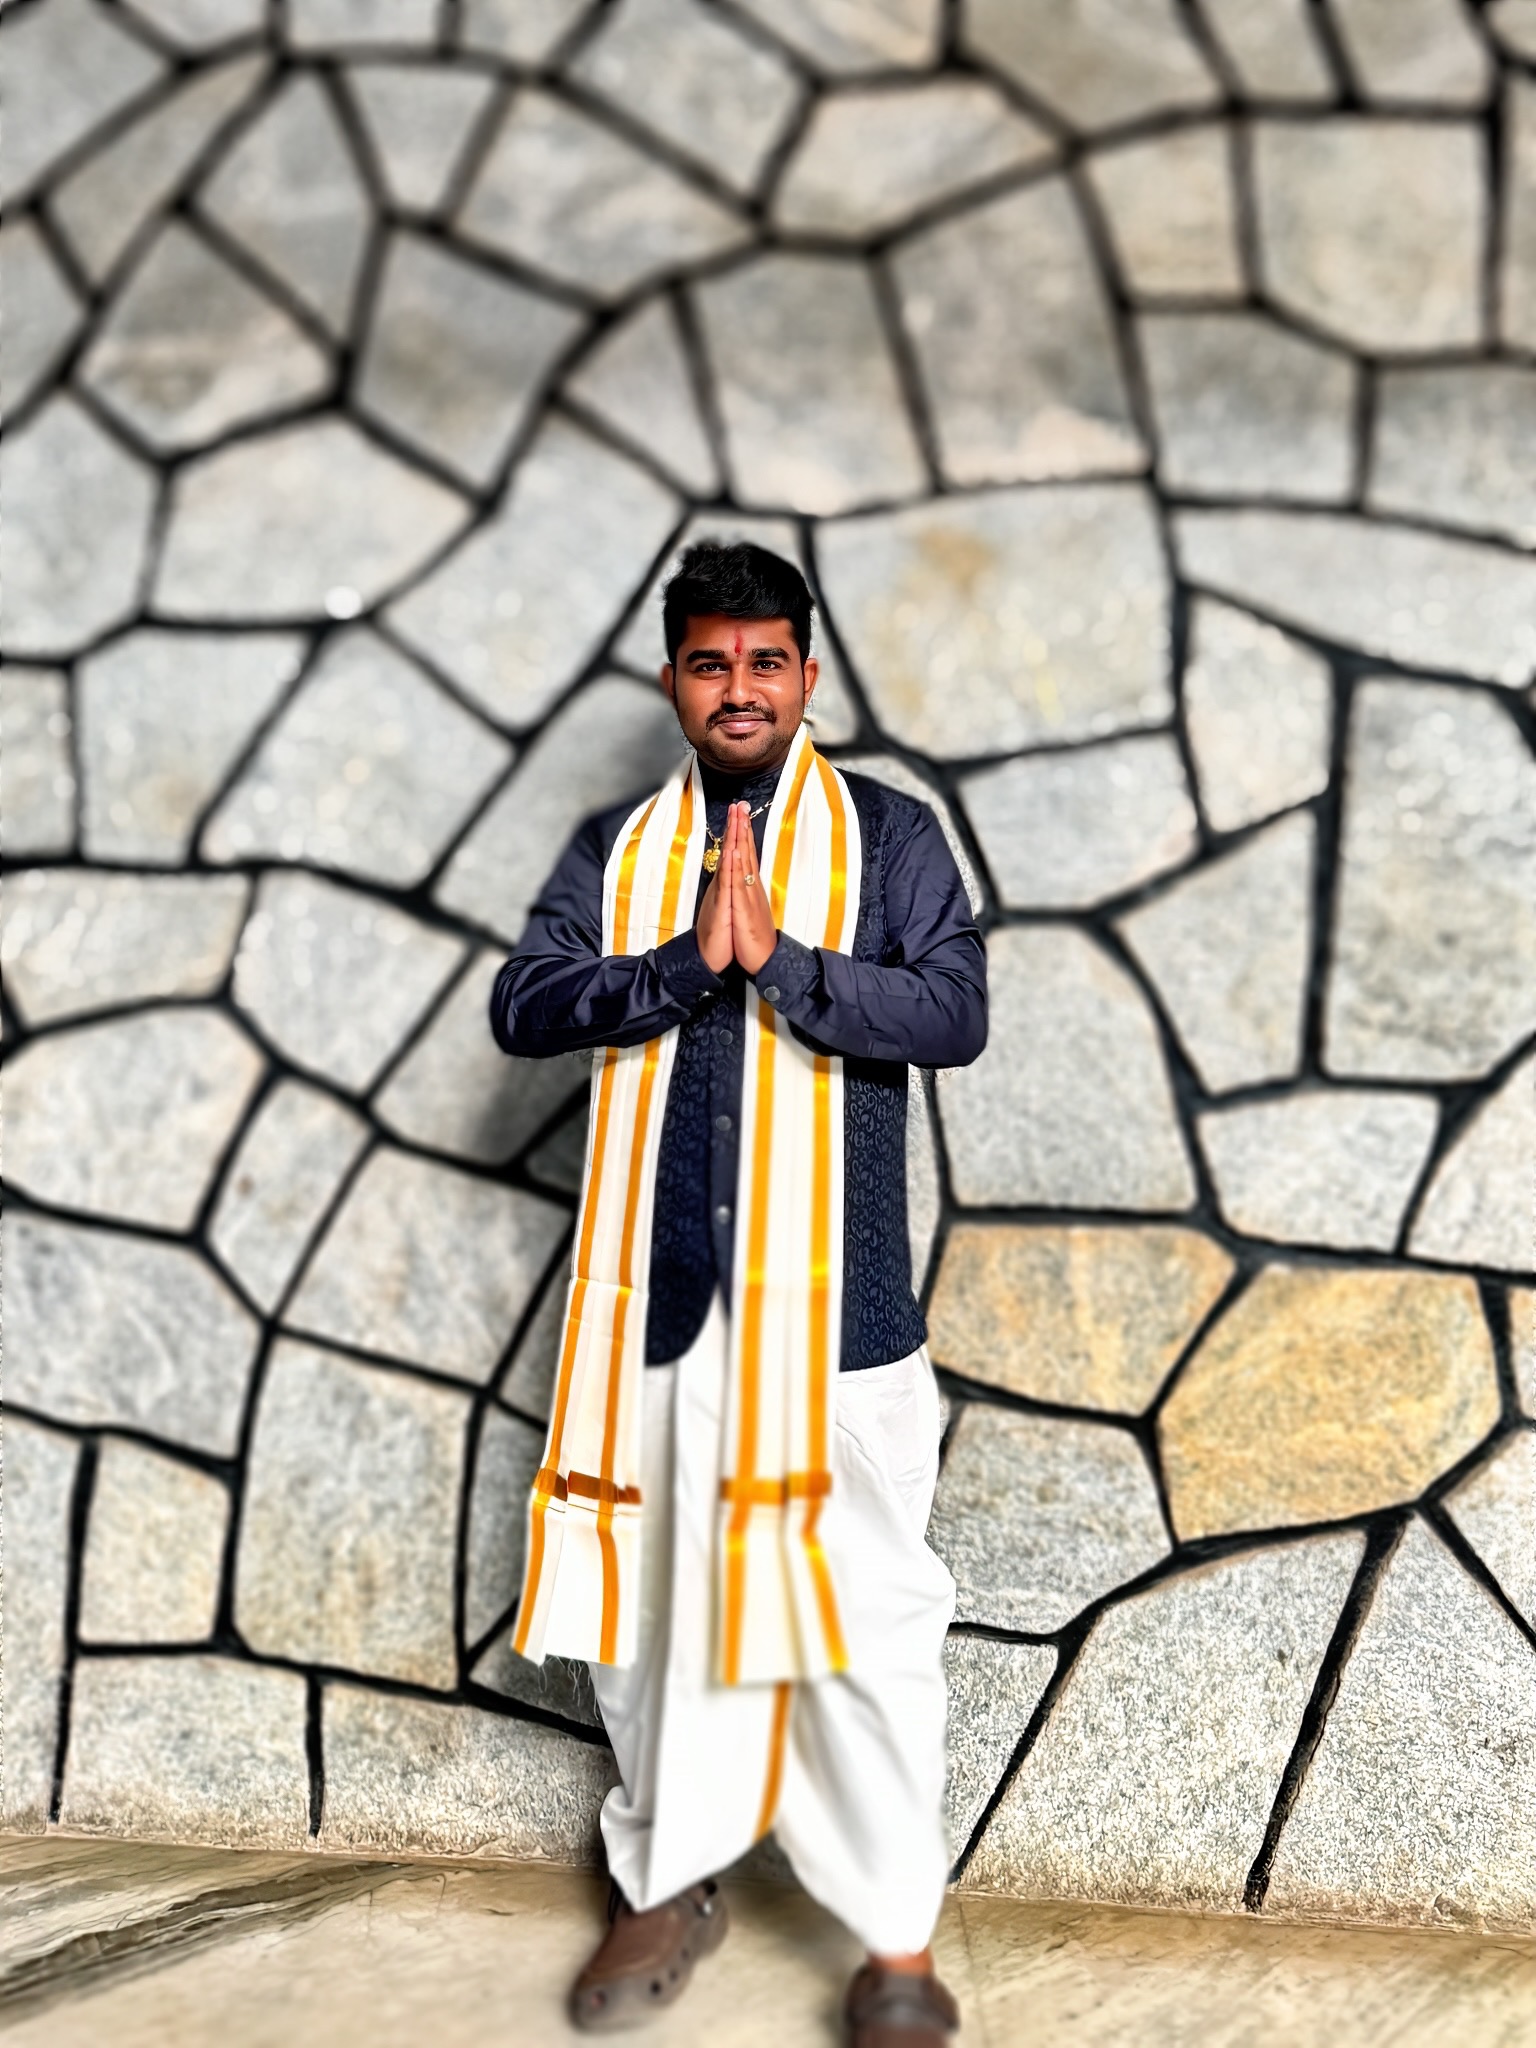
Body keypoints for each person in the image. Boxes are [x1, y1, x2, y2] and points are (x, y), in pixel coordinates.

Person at [490, 540, 987, 2045]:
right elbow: (526, 1002)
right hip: (660, 1316)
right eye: (712, 662)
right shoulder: (616, 849)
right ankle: (670, 1875)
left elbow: (954, 1011)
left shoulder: (890, 836)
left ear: (808, 676)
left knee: (868, 1627)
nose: (741, 687)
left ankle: (895, 1941)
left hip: (839, 1323)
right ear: (674, 683)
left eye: (766, 660)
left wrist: (782, 963)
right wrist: (679, 969)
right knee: (653, 1624)